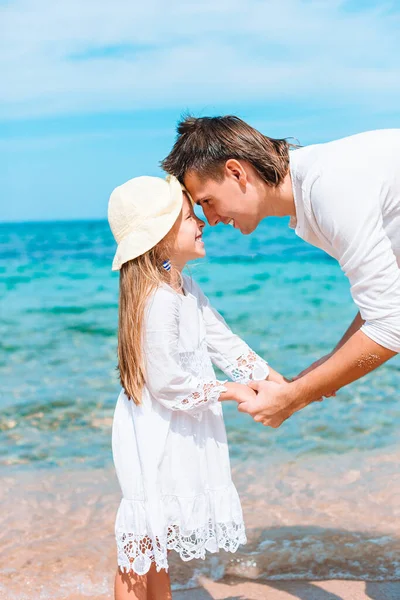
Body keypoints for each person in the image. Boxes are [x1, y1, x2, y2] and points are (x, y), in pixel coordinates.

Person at [108, 175, 284, 599]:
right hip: (155, 430)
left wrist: (272, 380)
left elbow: (224, 342)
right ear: (162, 236)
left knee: (158, 538)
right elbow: (168, 382)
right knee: (142, 541)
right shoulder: (157, 298)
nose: (202, 223)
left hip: (178, 426)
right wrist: (233, 391)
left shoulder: (185, 288)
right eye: (189, 217)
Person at [161, 116, 400, 428]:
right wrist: (326, 371)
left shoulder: (329, 189)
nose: (212, 219)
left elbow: (391, 326)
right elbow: (390, 299)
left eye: (207, 200)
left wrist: (294, 397)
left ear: (236, 172)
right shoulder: (317, 189)